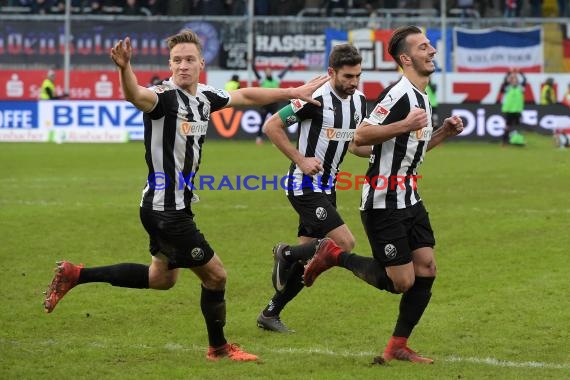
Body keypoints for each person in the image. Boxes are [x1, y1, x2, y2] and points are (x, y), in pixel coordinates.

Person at [43, 29, 328, 362]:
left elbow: (247, 97)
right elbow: (136, 95)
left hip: (167, 207)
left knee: (160, 279)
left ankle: (77, 275)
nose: (183, 66)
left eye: (189, 59)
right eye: (177, 60)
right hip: (167, 211)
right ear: (169, 64)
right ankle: (219, 349)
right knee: (217, 275)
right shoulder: (162, 97)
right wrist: (124, 69)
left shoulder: (205, 97)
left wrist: (292, 90)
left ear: (201, 63)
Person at [302, 25, 464, 364]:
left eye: (430, 45)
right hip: (382, 200)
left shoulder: (421, 96)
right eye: (423, 47)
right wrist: (404, 124)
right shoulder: (399, 94)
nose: (432, 51)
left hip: (410, 196)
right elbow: (360, 137)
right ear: (406, 58)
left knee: (428, 267)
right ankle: (332, 255)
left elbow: (410, 152)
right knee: (401, 281)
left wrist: (442, 134)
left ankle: (397, 347)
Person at [256, 44, 370, 333]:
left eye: (357, 75)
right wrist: (300, 159)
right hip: (304, 184)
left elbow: (355, 145)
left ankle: (270, 314)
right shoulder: (315, 98)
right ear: (331, 72)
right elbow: (272, 126)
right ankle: (286, 253)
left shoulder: (359, 101)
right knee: (345, 243)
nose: (353, 82)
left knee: (308, 259)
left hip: (328, 187)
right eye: (347, 76)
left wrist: (386, 151)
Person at [253, 61, 293, 144]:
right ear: (265, 73)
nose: (268, 72)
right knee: (262, 121)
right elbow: (255, 71)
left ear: (271, 72)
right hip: (265, 104)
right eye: (266, 71)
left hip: (274, 104)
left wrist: (289, 65)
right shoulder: (262, 80)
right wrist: (251, 63)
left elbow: (283, 72)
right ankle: (259, 138)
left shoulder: (276, 80)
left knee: (277, 123)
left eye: (269, 71)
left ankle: (277, 140)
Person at [499, 68, 526, 146]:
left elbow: (524, 80)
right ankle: (505, 141)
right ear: (510, 81)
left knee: (518, 127)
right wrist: (509, 73)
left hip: (517, 110)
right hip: (509, 110)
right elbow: (504, 81)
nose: (514, 81)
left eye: (516, 80)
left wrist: (520, 72)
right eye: (513, 80)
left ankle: (518, 141)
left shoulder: (520, 88)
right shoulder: (507, 88)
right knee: (508, 126)